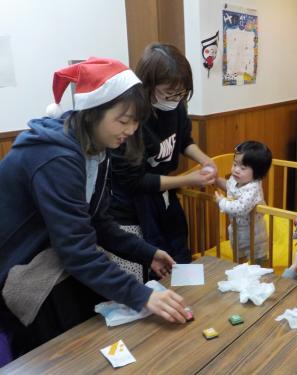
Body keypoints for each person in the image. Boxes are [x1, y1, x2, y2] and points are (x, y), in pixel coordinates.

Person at [0, 58, 190, 358]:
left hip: (48, 253)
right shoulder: (57, 157)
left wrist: (146, 252)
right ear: (92, 113)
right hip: (18, 264)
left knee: (101, 306)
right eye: (123, 120)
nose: (131, 129)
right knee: (69, 328)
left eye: (136, 121)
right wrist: (141, 295)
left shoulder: (96, 150)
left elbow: (99, 223)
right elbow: (76, 249)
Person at [109, 43, 216, 276]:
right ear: (148, 85)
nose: (177, 98)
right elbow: (136, 181)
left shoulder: (176, 107)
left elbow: (184, 140)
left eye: (182, 93)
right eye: (170, 92)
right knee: (146, 272)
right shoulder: (131, 120)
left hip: (162, 196)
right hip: (130, 208)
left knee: (178, 256)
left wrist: (206, 159)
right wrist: (187, 179)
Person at [215, 141, 272, 265]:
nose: (236, 170)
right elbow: (229, 187)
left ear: (257, 173)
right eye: (235, 164)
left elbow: (240, 208)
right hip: (236, 230)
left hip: (254, 234)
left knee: (259, 262)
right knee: (239, 259)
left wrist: (222, 202)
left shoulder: (253, 187)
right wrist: (215, 179)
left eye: (242, 168)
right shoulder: (236, 179)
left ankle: (263, 278)